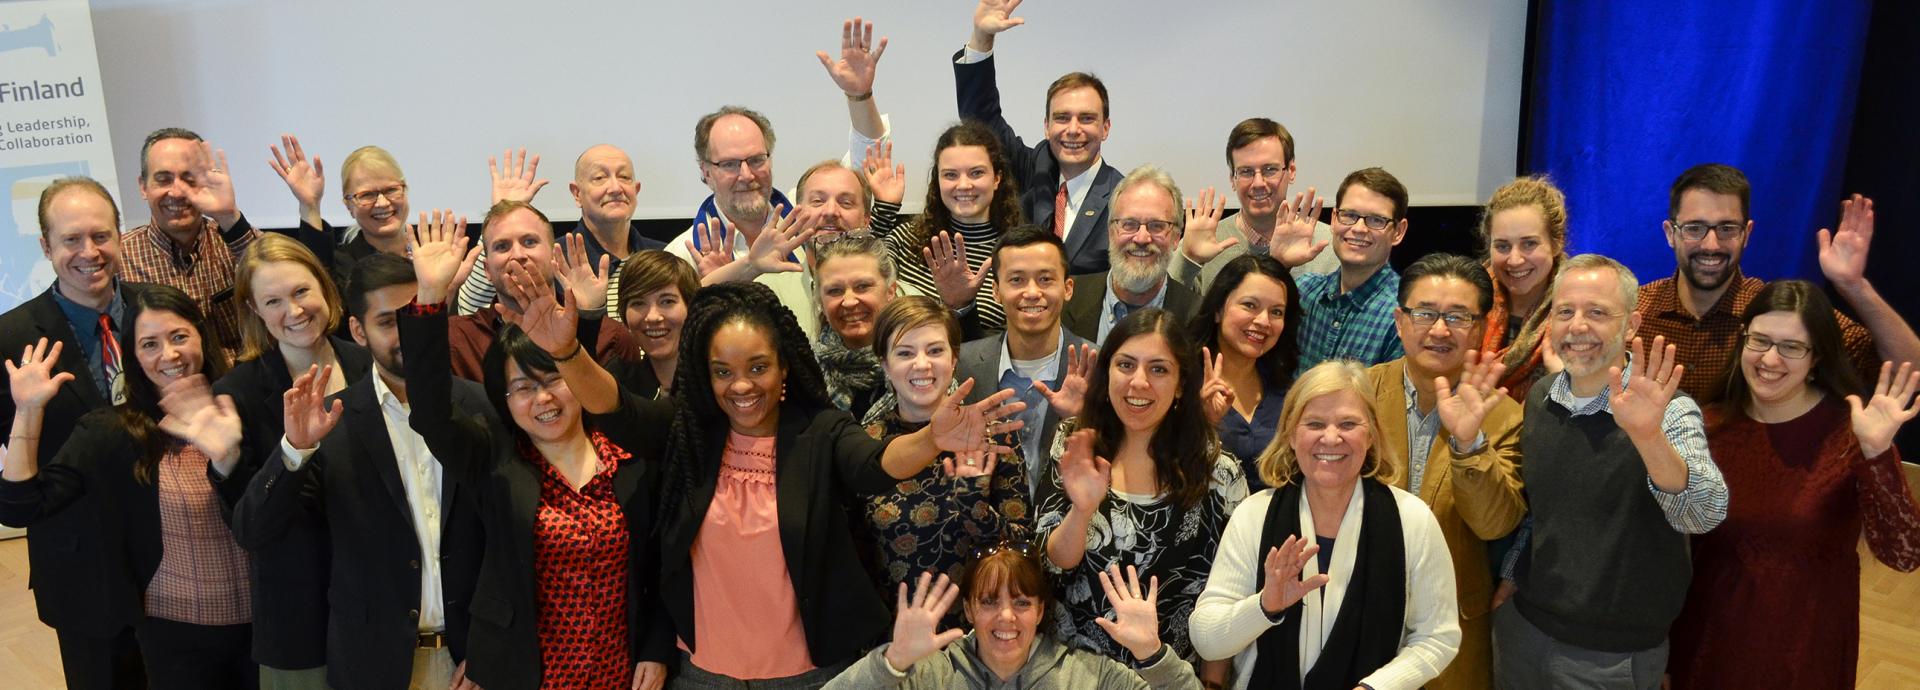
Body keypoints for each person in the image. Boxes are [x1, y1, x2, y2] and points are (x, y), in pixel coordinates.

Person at [631, 281, 1022, 687]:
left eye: (758, 366)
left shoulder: (825, 432)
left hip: (956, 641)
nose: (742, 384)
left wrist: (936, 445)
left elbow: (874, 467)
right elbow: (667, 554)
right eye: (723, 372)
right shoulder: (695, 439)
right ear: (884, 364)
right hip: (741, 665)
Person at [395, 215, 676, 690]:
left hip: (620, 672)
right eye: (522, 387)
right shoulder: (494, 459)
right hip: (522, 674)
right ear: (503, 398)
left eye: (553, 381)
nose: (543, 400)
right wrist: (428, 297)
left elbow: (663, 564)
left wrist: (657, 645)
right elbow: (429, 413)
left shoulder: (630, 457)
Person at [228, 253, 490, 690]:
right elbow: (253, 531)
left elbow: (505, 547)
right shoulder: (334, 422)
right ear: (357, 331)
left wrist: (489, 652)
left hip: (472, 661)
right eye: (389, 322)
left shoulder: (482, 408)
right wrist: (295, 449)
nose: (408, 333)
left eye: (417, 315)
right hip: (374, 663)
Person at [1667, 280, 1920, 689]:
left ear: (1817, 356)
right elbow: (1678, 557)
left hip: (1803, 652)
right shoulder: (1706, 426)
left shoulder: (1851, 433)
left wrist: (1878, 454)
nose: (1770, 359)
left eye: (1792, 347)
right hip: (1707, 646)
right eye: (1760, 340)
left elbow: (1904, 555)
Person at [0, 287, 255, 689]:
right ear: (132, 356)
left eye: (179, 337)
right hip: (177, 639)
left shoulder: (247, 405)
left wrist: (230, 460)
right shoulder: (114, 431)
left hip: (270, 625)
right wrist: (28, 411)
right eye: (149, 344)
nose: (168, 355)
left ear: (201, 337)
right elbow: (20, 507)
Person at [1493, 254, 1728, 690]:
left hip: (1612, 656)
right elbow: (1541, 509)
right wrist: (1512, 572)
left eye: (1597, 312)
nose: (1578, 326)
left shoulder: (1669, 411)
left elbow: (1703, 514)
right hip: (1524, 629)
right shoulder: (1542, 398)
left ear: (1633, 325)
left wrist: (1647, 436)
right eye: (1565, 311)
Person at [1189, 361, 1462, 690]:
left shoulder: (1412, 520)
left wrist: (1376, 688)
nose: (1331, 438)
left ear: (1372, 434)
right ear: (1291, 434)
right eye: (1315, 423)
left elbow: (1437, 637)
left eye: (1348, 423)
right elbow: (1207, 640)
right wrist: (1264, 606)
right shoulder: (1254, 515)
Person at [0, 177, 158, 689]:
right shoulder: (10, 339)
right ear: (46, 246)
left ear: (120, 236)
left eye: (101, 235)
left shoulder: (160, 313)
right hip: (82, 570)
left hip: (177, 559)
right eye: (71, 239)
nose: (89, 252)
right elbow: (16, 491)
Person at [1034, 308, 1249, 674]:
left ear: (1182, 383)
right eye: (1126, 365)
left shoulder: (1219, 472)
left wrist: (1212, 684)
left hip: (1164, 674)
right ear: (1108, 372)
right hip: (1070, 673)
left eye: (1159, 369)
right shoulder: (1074, 443)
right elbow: (1049, 567)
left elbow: (1226, 598)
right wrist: (1083, 511)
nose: (1138, 383)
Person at [666, 17, 896, 340]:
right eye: (730, 164)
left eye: (756, 160)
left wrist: (859, 96)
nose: (747, 175)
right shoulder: (683, 254)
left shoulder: (803, 218)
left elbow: (865, 163)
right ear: (705, 172)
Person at [1362, 252, 1527, 690]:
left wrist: (1468, 444)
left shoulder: (1503, 414)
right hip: (1359, 618)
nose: (1439, 329)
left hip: (1451, 631)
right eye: (1425, 313)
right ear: (1400, 321)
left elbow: (1496, 524)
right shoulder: (1357, 395)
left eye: (1458, 316)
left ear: (1480, 329)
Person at [215, 233, 373, 688]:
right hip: (300, 621)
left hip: (383, 611)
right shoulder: (236, 394)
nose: (295, 310)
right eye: (274, 301)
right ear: (255, 312)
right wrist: (293, 451)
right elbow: (252, 529)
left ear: (324, 287)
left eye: (302, 291)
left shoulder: (370, 367)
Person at [1634, 164, 1920, 405]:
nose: (1712, 244)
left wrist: (1853, 285)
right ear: (1671, 233)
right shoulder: (1631, 311)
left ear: (1747, 233)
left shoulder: (1783, 313)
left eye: (1727, 228)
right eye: (1695, 228)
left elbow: (1911, 374)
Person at [858, 296, 1030, 593]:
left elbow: (1023, 551)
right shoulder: (864, 442)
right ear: (884, 364)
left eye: (935, 350)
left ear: (953, 360)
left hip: (978, 628)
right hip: (892, 632)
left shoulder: (991, 434)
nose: (922, 364)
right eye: (905, 353)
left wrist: (975, 507)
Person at [825, 559, 1203, 689]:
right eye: (989, 602)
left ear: (1040, 612)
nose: (1006, 616)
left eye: (1021, 602)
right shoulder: (930, 675)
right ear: (969, 611)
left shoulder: (1089, 675)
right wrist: (892, 661)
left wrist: (1152, 655)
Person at [956, 0, 1123, 274]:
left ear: (1106, 128)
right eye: (1062, 117)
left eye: (1087, 118)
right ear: (1046, 126)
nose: (1072, 129)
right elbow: (980, 119)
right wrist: (982, 38)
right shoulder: (1034, 168)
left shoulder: (1122, 197)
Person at [954, 226, 1094, 495]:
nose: (1032, 292)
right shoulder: (964, 363)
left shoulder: (1099, 365)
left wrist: (1080, 419)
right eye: (1016, 280)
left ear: (1068, 288)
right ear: (995, 291)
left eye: (1045, 279)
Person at [455, 144, 668, 318]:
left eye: (624, 177)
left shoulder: (666, 256)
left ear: (636, 190)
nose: (614, 188)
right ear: (576, 194)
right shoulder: (552, 259)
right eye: (599, 178)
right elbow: (474, 308)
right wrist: (502, 215)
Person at [444, 201, 639, 382]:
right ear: (487, 269)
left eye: (529, 242)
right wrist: (439, 294)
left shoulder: (611, 338)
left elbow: (627, 415)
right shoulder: (458, 339)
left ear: (553, 254)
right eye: (502, 246)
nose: (518, 255)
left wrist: (586, 321)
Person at [121, 128, 264, 364]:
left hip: (245, 391)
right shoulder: (119, 258)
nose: (177, 192)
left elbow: (277, 287)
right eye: (163, 179)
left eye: (190, 179)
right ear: (143, 187)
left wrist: (228, 217)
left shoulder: (237, 237)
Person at [881, 121, 1025, 337]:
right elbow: (861, 278)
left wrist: (961, 306)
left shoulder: (1020, 251)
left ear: (997, 178)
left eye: (976, 173)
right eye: (950, 175)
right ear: (937, 181)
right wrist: (884, 209)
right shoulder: (904, 239)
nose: (964, 185)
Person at [1171, 117, 1338, 293]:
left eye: (1270, 169)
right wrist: (1188, 261)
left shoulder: (1326, 245)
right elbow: (1164, 314)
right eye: (1246, 172)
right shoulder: (1205, 242)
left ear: (1291, 171)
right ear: (1232, 179)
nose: (1258, 183)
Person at [1187, 254, 1302, 490]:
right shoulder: (1179, 382)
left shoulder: (1289, 392)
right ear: (1218, 310)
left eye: (1277, 312)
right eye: (1250, 305)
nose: (1263, 321)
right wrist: (1203, 422)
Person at [1061, 165, 1202, 346]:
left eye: (1157, 225)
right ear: (1111, 232)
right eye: (1129, 224)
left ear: (1176, 237)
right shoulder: (1066, 300)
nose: (1142, 238)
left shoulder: (1198, 318)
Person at [1294, 168, 1410, 372]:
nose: (1359, 228)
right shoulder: (1304, 292)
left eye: (1376, 220)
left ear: (1398, 232)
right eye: (1349, 215)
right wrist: (1278, 261)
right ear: (1334, 219)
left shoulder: (1402, 316)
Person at [265, 135, 412, 288]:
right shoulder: (344, 266)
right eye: (367, 195)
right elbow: (323, 287)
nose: (382, 203)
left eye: (391, 190)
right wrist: (310, 206)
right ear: (349, 205)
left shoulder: (432, 247)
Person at [1475, 176, 1570, 400]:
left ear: (1556, 243)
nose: (1514, 260)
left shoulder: (1578, 313)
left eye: (1529, 243)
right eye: (1502, 246)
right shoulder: (1467, 300)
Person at [813, 234, 899, 419]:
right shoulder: (805, 373)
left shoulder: (923, 364)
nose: (849, 301)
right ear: (820, 299)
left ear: (890, 291)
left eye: (862, 286)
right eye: (835, 291)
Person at [606, 250, 701, 399]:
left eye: (667, 301)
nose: (652, 317)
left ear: (691, 307)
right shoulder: (619, 383)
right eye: (638, 303)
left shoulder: (716, 379)